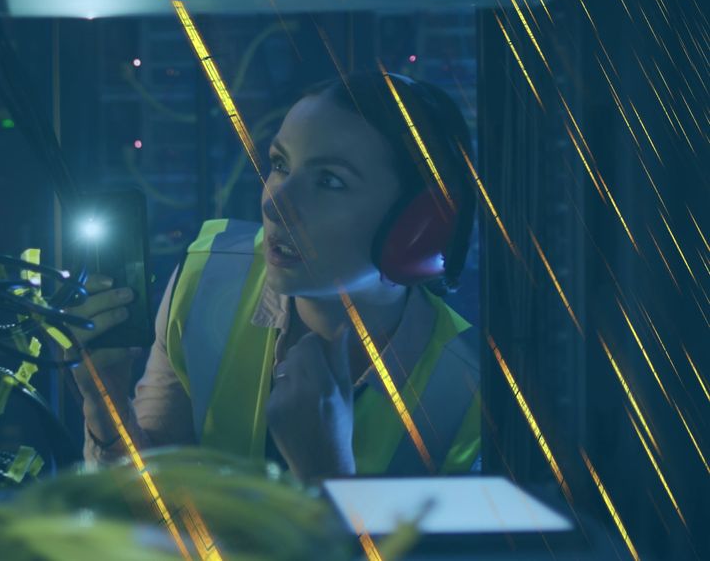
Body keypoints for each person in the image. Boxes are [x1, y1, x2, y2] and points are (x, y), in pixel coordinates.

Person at [66, 71, 481, 481]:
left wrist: (325, 475)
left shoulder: (469, 393)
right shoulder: (206, 278)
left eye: (330, 181)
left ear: (418, 228)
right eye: (280, 164)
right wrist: (104, 396)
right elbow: (144, 511)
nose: (274, 204)